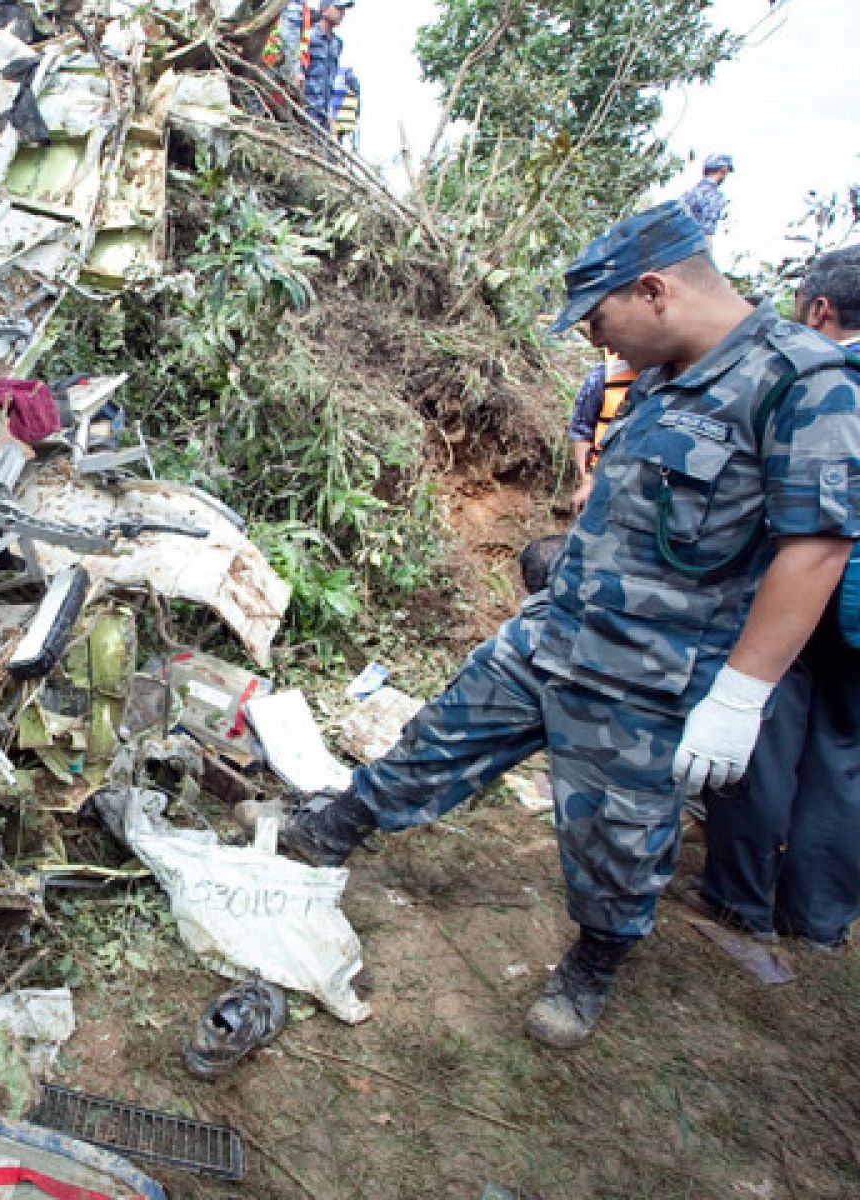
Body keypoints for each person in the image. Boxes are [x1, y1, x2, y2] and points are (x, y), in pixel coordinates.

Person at [282, 201, 860, 1048]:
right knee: (440, 733)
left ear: (654, 289)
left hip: (649, 676)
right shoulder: (666, 371)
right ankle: (340, 824)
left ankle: (595, 958)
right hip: (556, 632)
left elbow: (816, 547)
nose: (596, 342)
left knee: (617, 842)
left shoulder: (801, 384)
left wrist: (739, 697)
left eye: (598, 319)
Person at [680, 246, 860, 950]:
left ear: (820, 310)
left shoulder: (821, 380)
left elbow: (811, 528)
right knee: (845, 757)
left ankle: (739, 896)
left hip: (818, 596)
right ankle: (818, 919)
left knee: (763, 733)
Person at [566, 351, 638, 512]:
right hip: (604, 482)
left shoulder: (680, 376)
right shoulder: (603, 375)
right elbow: (582, 431)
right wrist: (587, 480)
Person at [272, 0, 353, 131]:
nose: (342, 13)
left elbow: (331, 79)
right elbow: (295, 67)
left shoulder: (337, 43)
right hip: (305, 106)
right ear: (325, 9)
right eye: (338, 8)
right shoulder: (307, 35)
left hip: (324, 111)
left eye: (343, 10)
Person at [679, 153, 734, 245]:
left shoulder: (690, 192)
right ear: (724, 169)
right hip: (694, 247)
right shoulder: (715, 195)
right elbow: (707, 230)